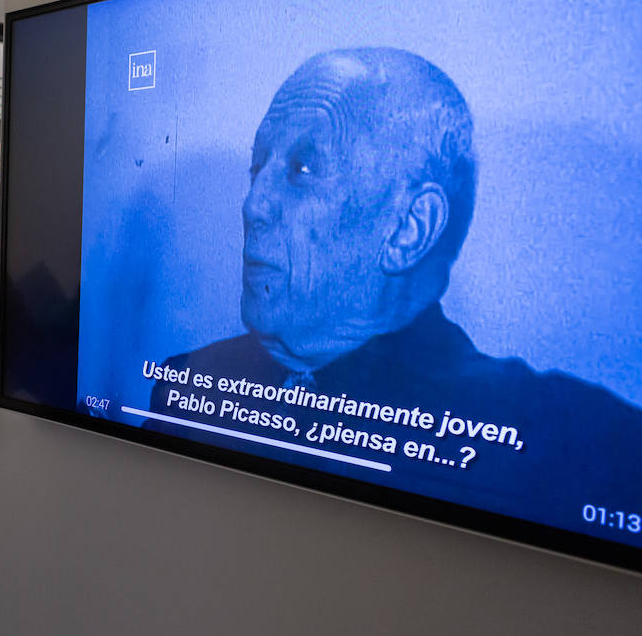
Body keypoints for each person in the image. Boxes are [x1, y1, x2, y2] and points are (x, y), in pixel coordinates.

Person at [148, 48, 641, 507]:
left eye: (302, 168)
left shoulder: (567, 448)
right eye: (259, 167)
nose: (253, 206)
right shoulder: (190, 385)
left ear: (409, 229)